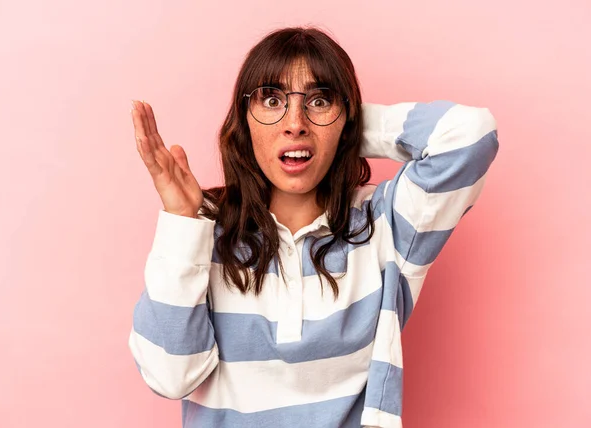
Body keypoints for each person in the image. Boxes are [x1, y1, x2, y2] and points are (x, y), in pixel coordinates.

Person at [128, 26, 499, 428]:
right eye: (272, 100)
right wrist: (182, 223)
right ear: (244, 119)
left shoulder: (387, 224)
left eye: (319, 101)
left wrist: (344, 126)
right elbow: (169, 377)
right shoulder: (204, 231)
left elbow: (470, 134)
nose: (295, 124)